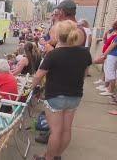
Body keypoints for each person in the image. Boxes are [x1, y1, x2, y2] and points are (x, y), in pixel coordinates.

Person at [32, 20, 92, 160]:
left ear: (59, 36)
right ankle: (56, 155)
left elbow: (39, 75)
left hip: (55, 96)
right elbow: (84, 74)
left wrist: (33, 86)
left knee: (56, 131)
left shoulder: (53, 54)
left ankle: (48, 158)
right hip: (75, 96)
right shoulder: (85, 53)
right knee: (66, 129)